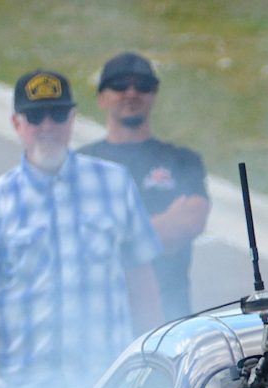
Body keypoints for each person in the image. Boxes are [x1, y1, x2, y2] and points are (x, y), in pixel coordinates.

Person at [0, 70, 162, 388]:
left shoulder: (114, 185)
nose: (47, 126)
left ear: (72, 120)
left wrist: (152, 374)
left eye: (57, 115)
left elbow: (143, 284)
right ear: (17, 125)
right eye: (35, 118)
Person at [79, 52, 210, 321]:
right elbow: (77, 243)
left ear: (154, 96)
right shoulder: (81, 165)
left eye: (143, 86)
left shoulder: (182, 160)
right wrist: (159, 227)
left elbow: (189, 223)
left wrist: (112, 238)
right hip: (99, 319)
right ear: (101, 97)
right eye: (119, 86)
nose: (132, 93)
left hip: (171, 317)